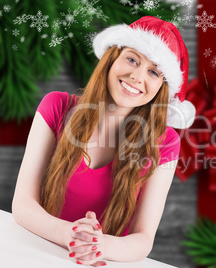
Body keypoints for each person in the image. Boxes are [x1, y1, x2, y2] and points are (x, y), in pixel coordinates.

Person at [12, 16, 195, 266]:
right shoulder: (56, 107)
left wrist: (101, 245)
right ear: (111, 59)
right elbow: (23, 205)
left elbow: (143, 239)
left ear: (162, 87)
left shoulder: (165, 143)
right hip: (34, 253)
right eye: (132, 59)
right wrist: (73, 236)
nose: (136, 76)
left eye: (153, 72)